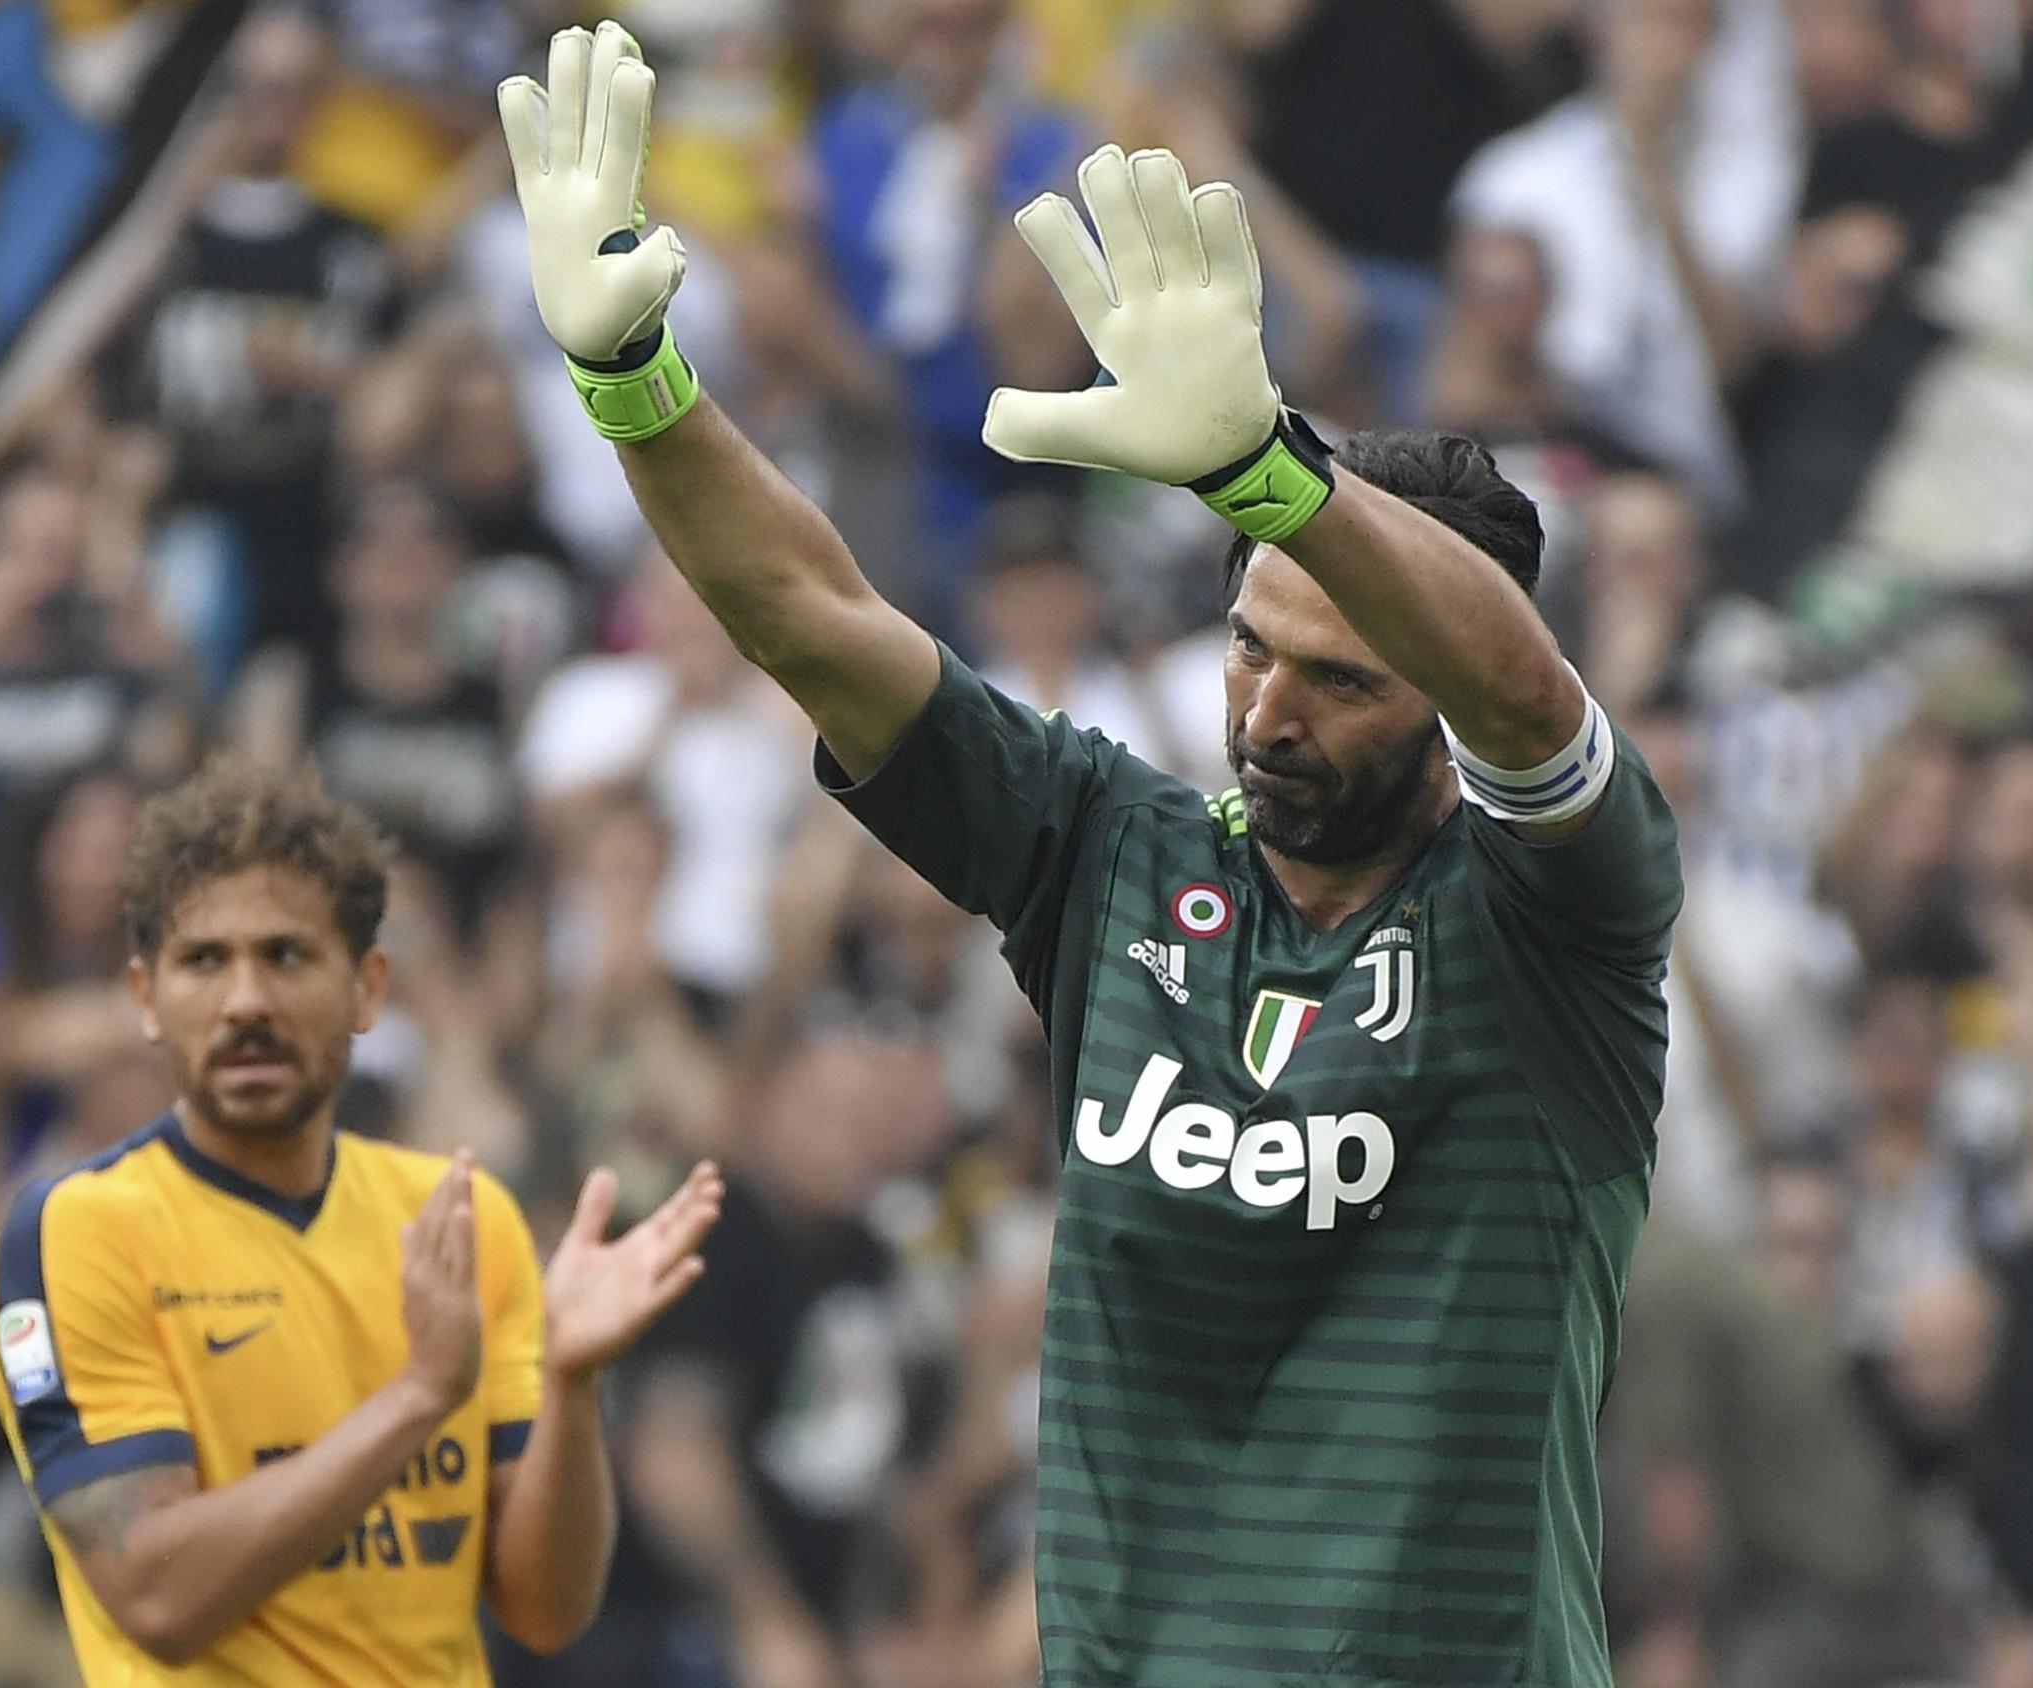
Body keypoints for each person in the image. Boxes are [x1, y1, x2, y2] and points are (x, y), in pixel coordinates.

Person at [499, 23, 1681, 1684]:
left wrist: (1276, 475)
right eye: (1250, 640)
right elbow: (814, 613)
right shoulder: (1112, 859)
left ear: (1438, 705)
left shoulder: (1559, 923)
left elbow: (1525, 693)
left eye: (1340, 678)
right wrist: (641, 390)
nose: (1268, 709)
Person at [0, 755, 723, 1684]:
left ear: (369, 988)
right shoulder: (76, 1233)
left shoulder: (462, 1218)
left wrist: (572, 1387)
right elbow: (155, 1597)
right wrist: (418, 1398)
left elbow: (546, 1609)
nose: (246, 1000)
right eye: (204, 961)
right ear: (146, 1000)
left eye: (287, 956)